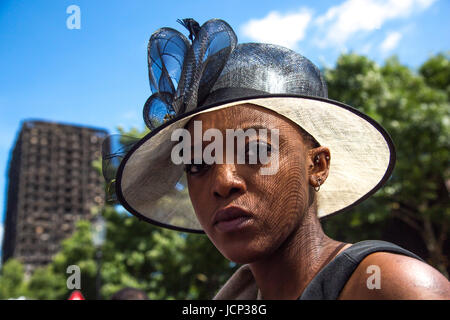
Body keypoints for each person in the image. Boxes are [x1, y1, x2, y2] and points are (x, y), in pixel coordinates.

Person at [103, 18, 450, 299]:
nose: (223, 181)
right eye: (197, 164)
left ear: (317, 166)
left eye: (255, 151)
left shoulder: (391, 288)